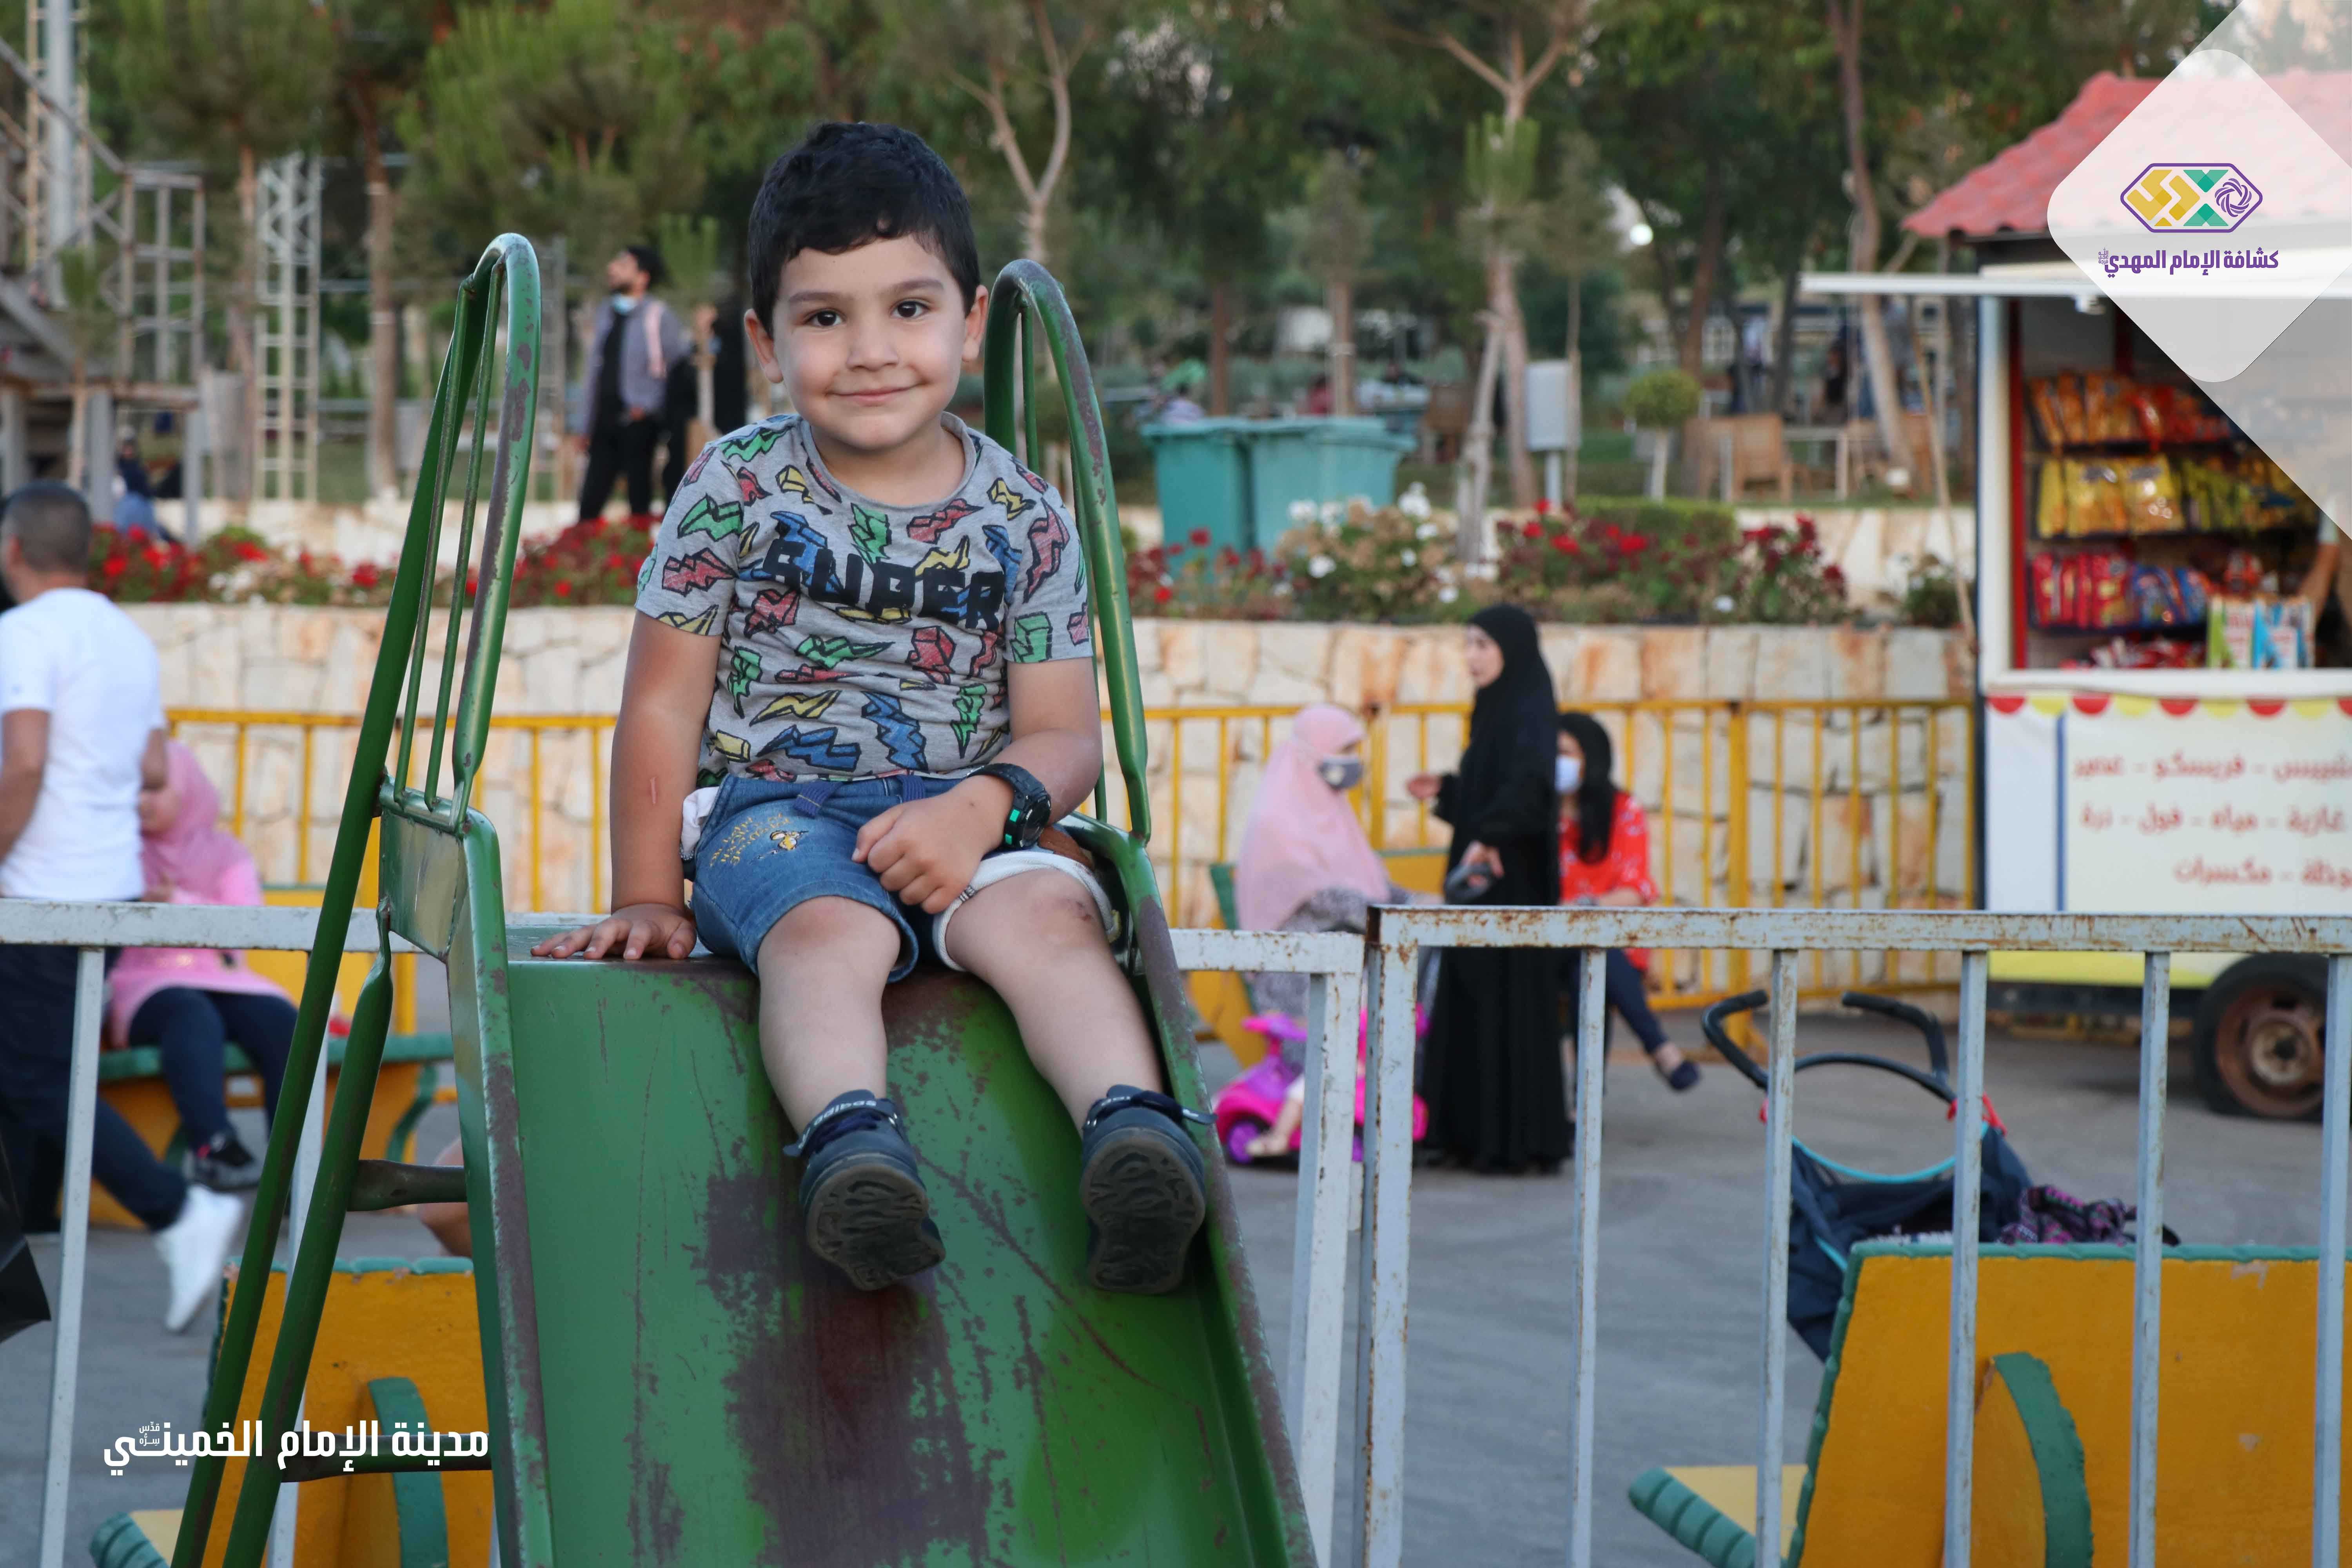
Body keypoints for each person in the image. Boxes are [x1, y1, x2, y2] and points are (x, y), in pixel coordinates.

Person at [531, 122, 1208, 1296]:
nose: (871, 350)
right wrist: (647, 894)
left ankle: (1134, 1135)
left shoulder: (1027, 517)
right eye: (824, 317)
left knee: (1052, 921)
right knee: (824, 936)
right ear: (765, 339)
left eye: (908, 307)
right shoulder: (735, 487)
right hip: (777, 814)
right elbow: (661, 707)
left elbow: (1064, 733)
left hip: (972, 813)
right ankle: (852, 1149)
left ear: (971, 320)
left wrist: (982, 808)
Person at [0, 483, 243, 1332]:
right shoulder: (128, 639)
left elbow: (25, 761)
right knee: (35, 1077)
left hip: (40, 893)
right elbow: (152, 765)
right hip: (107, 891)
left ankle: (178, 1208)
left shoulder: (25, 633)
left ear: (13, 550)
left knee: (38, 1081)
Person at [1406, 605, 1571, 1173]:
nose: (1472, 656)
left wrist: (1492, 836)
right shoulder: (1495, 710)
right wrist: (1448, 790)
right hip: (1483, 879)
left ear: (1512, 649)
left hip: (1511, 882)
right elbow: (1491, 790)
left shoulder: (1529, 710)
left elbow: (1530, 787)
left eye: (1483, 644)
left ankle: (1511, 1143)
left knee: (1509, 1002)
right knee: (1475, 999)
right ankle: (1469, 1136)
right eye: (1468, 644)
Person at [109, 742, 298, 1188]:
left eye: (155, 789)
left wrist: (176, 901)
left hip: (222, 980)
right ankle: (214, 1147)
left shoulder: (226, 853)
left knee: (284, 1022)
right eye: (137, 789)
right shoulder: (117, 849)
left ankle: (295, 1164)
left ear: (188, 791)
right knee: (192, 1016)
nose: (142, 801)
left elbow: (248, 924)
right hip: (144, 984)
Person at [1232, 703, 1405, 1158]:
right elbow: (1323, 895)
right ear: (1315, 752)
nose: (1351, 761)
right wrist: (1393, 911)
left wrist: (1413, 902)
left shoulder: (1335, 814)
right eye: (1343, 750)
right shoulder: (1277, 819)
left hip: (1346, 959)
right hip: (1296, 973)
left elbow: (1371, 884)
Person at [1555, 711, 1699, 1092]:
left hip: (1606, 943)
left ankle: (1584, 1104)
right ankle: (1660, 1048)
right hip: (1546, 944)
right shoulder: (1538, 813)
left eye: (1565, 753)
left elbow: (1635, 890)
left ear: (1591, 757)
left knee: (1591, 964)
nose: (1556, 762)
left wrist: (1580, 912)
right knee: (1591, 960)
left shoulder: (1622, 810)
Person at [574, 245, 691, 524]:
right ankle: (583, 547)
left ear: (643, 277)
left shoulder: (659, 316)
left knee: (639, 499)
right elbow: (593, 372)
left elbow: (677, 369)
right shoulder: (605, 312)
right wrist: (584, 424)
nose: (613, 269)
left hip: (639, 423)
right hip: (604, 420)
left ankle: (639, 548)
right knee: (590, 503)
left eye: (624, 265)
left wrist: (649, 406)